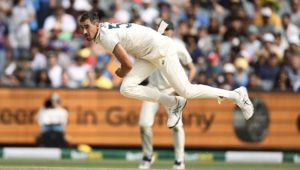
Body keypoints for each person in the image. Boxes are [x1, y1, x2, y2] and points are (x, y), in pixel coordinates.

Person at [78, 11, 253, 130]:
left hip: (160, 49)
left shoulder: (105, 35)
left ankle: (237, 96)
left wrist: (121, 72)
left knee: (187, 91)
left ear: (97, 24)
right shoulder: (101, 31)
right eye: (82, 28)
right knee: (126, 88)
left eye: (87, 26)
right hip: (147, 54)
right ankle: (172, 103)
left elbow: (127, 65)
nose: (84, 31)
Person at [138, 20, 196, 170]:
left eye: (167, 29)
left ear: (172, 31)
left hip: (171, 91)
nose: (164, 31)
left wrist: (184, 87)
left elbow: (192, 68)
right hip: (152, 90)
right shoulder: (150, 43)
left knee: (177, 127)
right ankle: (147, 156)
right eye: (161, 28)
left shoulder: (178, 46)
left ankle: (179, 160)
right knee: (144, 124)